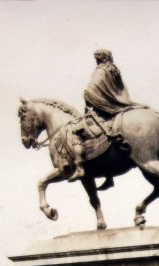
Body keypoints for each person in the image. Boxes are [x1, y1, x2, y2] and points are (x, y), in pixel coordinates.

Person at [67, 49, 139, 183]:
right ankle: (108, 176)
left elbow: (91, 89)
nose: (97, 62)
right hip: (115, 109)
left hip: (102, 109)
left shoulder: (100, 71)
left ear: (102, 59)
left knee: (74, 131)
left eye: (97, 59)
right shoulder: (114, 70)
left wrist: (87, 96)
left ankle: (79, 168)